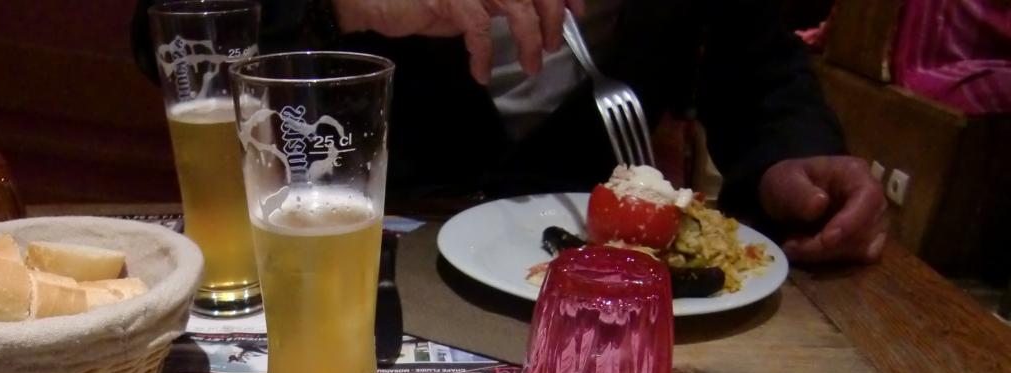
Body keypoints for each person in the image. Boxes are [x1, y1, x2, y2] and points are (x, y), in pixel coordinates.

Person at [133, 0, 887, 264]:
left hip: (605, 275)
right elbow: (166, 34)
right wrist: (339, 5)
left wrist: (796, 156)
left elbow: (757, 64)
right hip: (362, 241)